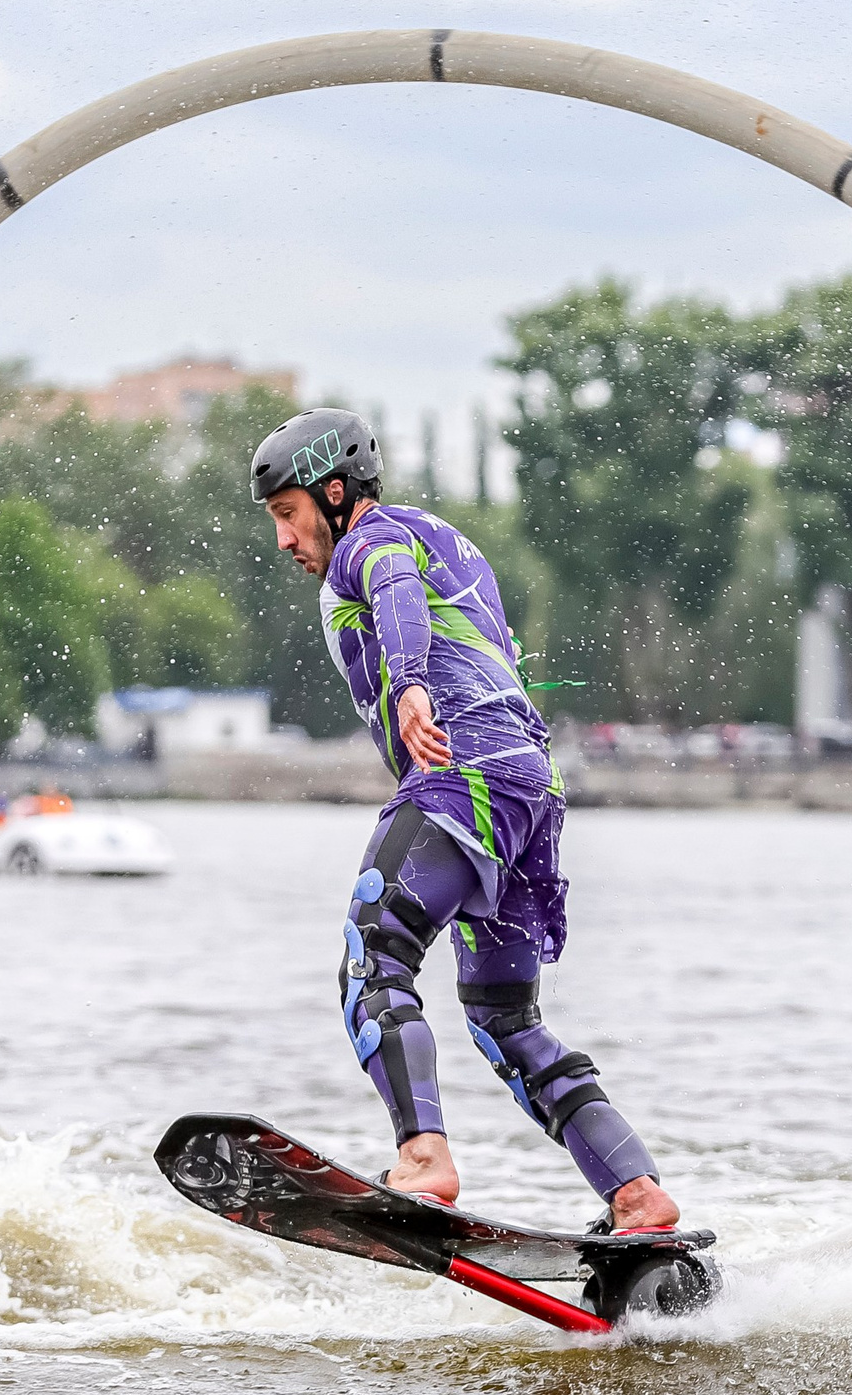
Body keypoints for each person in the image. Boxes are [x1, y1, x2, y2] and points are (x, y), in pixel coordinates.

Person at [251, 407, 681, 1234]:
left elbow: (394, 590)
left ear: (335, 493)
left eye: (288, 513)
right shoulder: (451, 542)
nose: (283, 539)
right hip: (531, 791)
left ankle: (422, 1158)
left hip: (462, 776)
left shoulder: (370, 543)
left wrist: (410, 682)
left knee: (373, 954)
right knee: (505, 1018)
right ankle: (636, 1192)